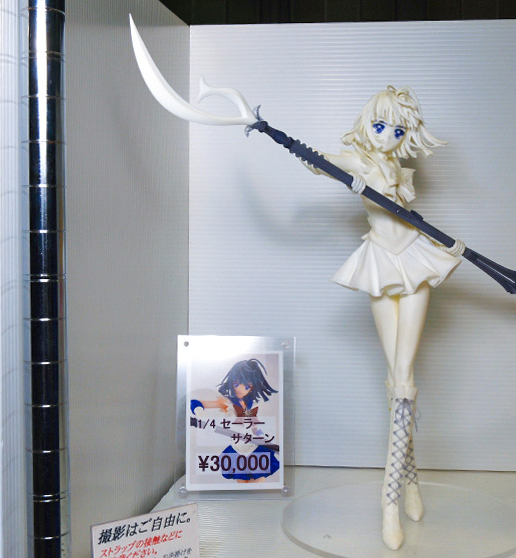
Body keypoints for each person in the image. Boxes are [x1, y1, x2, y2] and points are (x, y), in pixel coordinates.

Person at [305, 86, 464, 550]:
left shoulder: (397, 167)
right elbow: (322, 162)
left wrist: (447, 244)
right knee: (397, 378)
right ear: (367, 124)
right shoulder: (361, 161)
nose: (387, 136)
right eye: (380, 126)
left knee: (404, 377)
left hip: (414, 261)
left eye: (397, 130)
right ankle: (406, 483)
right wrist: (306, 154)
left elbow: (406, 217)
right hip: (379, 264)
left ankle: (389, 499)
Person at [191, 359, 279, 483]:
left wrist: (261, 436)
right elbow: (195, 403)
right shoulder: (227, 403)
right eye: (236, 384)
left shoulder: (252, 404)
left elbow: (254, 426)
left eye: (247, 386)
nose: (240, 389)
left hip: (254, 447)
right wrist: (202, 418)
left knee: (259, 482)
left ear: (253, 386)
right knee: (242, 483)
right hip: (237, 448)